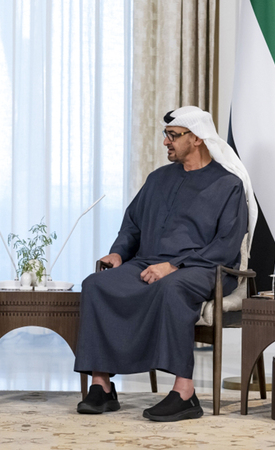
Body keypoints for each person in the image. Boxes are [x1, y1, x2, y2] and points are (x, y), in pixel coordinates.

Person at [73, 106, 257, 422]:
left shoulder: (228, 184)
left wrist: (174, 265)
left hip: (205, 268)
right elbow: (132, 224)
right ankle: (101, 385)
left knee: (172, 287)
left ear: (197, 138)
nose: (165, 142)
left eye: (173, 135)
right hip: (147, 263)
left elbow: (226, 246)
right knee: (96, 284)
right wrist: (118, 253)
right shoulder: (158, 179)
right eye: (166, 134)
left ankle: (184, 393)